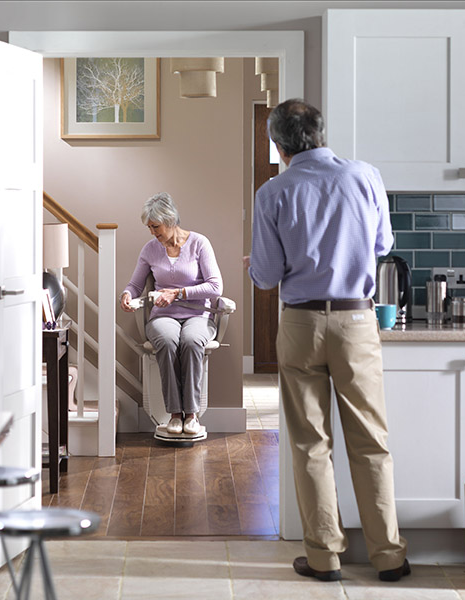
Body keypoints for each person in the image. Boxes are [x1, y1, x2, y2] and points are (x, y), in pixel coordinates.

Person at [246, 99, 410, 582]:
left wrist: (257, 264)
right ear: (320, 133)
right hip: (358, 323)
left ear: (278, 145)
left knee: (310, 444)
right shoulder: (365, 176)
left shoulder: (272, 193)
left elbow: (266, 275)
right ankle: (388, 557)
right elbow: (382, 247)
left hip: (300, 324)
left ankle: (324, 558)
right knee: (371, 442)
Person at [120, 192, 223, 435]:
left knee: (191, 340)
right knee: (166, 340)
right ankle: (175, 414)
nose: (153, 233)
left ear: (170, 220)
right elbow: (135, 285)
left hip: (198, 315)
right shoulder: (150, 250)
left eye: (156, 226)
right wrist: (126, 294)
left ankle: (192, 414)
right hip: (163, 316)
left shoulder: (199, 243)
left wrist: (178, 294)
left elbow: (216, 287)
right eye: (149, 228)